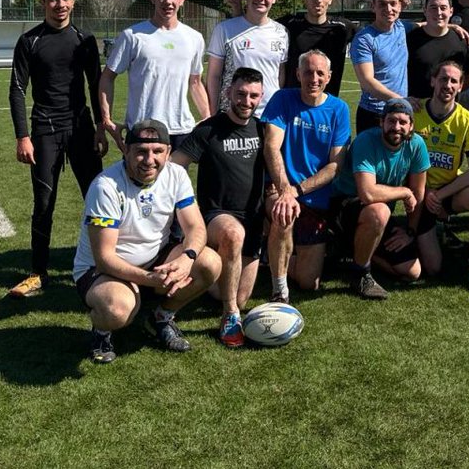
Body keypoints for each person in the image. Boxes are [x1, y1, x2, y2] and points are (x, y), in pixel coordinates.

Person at [72, 119, 222, 363]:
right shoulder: (106, 186)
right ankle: (101, 332)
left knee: (210, 263)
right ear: (126, 150)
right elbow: (105, 258)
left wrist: (188, 257)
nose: (149, 160)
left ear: (168, 152)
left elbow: (195, 227)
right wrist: (150, 279)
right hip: (103, 270)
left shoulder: (176, 174)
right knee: (117, 309)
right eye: (141, 152)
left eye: (157, 151)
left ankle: (161, 318)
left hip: (154, 260)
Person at [7, 0, 109, 299]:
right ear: (43, 2)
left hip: (80, 130)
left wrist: (100, 129)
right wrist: (23, 136)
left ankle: (105, 263)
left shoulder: (84, 39)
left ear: (74, 1)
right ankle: (38, 272)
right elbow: (17, 89)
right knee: (44, 203)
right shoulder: (30, 41)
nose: (60, 5)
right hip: (44, 130)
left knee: (98, 198)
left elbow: (96, 87)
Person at [171, 68, 266, 348]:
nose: (246, 101)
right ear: (228, 93)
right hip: (217, 215)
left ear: (260, 97)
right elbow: (175, 167)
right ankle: (230, 317)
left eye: (253, 96)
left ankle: (205, 269)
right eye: (240, 94)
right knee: (232, 237)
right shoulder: (208, 130)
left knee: (238, 294)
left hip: (254, 220)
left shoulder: (263, 130)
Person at [262, 50, 352, 302]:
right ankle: (279, 289)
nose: (314, 78)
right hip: (280, 191)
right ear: (298, 74)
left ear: (329, 77)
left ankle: (271, 253)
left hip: (312, 198)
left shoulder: (339, 109)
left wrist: (297, 190)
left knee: (308, 282)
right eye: (308, 72)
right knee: (284, 214)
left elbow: (335, 166)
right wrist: (284, 189)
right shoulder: (283, 99)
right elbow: (271, 146)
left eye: (320, 73)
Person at [412, 60, 469, 296]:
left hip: (447, 192)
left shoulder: (467, 120)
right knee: (433, 267)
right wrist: (425, 193)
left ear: (461, 86)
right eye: (443, 79)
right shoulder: (414, 112)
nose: (447, 85)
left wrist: (439, 195)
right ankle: (431, 229)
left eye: (453, 81)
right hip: (418, 194)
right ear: (432, 81)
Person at [99, 0, 208, 151]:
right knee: (141, 179)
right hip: (143, 128)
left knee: (176, 179)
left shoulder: (194, 38)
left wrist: (207, 117)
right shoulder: (132, 36)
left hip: (181, 129)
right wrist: (106, 119)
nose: (168, 1)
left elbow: (195, 82)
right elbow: (107, 77)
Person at [329, 98, 428, 299]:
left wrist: (410, 231)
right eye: (391, 121)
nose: (396, 127)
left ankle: (350, 249)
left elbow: (418, 194)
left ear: (411, 126)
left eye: (402, 122)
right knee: (380, 211)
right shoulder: (366, 141)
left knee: (412, 272)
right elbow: (367, 193)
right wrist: (404, 192)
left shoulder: (417, 145)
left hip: (375, 213)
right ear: (381, 122)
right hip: (346, 204)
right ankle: (360, 274)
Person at [206, 0, 289, 118]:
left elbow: (280, 75)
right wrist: (213, 114)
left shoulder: (282, 32)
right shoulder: (225, 29)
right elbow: (214, 76)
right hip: (233, 114)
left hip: (271, 115)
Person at [350, 0, 409, 134]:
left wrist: (453, 26)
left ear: (400, 6)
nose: (389, 9)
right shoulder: (365, 39)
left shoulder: (401, 28)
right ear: (373, 6)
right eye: (382, 4)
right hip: (373, 114)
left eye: (393, 3)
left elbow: (427, 25)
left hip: (399, 112)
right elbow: (367, 81)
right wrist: (401, 101)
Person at [281, 0, 353, 96]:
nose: (318, 0)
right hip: (292, 102)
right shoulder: (288, 25)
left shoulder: (343, 28)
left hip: (327, 105)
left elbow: (374, 36)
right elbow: (256, 26)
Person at [406, 0, 469, 102]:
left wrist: (448, 93)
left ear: (451, 11)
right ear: (425, 11)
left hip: (448, 111)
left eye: (443, 8)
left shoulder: (462, 40)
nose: (438, 13)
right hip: (417, 109)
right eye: (433, 8)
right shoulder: (409, 39)